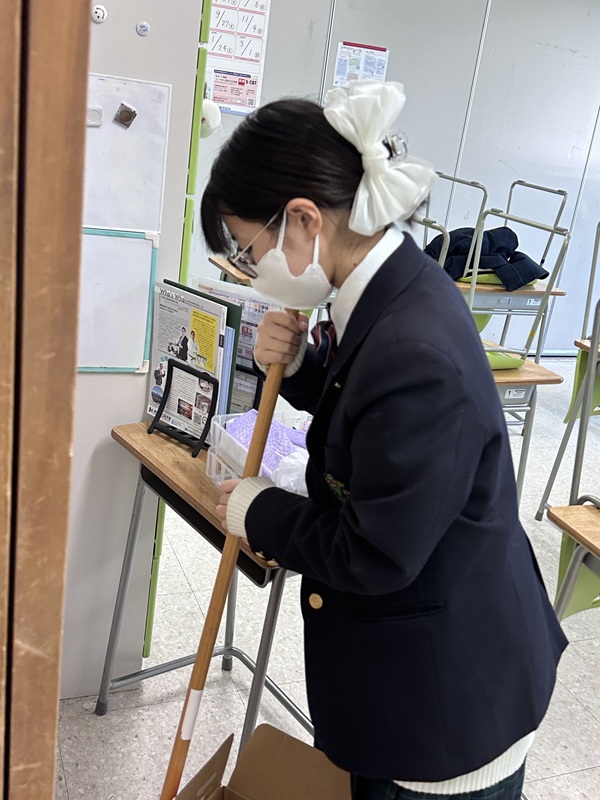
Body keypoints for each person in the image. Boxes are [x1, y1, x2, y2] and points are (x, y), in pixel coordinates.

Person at [201, 81, 567, 800]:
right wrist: (306, 368)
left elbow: (374, 552)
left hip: (447, 707)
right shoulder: (389, 284)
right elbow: (371, 416)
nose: (250, 271)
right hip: (418, 661)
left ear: (303, 219)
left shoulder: (414, 350)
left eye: (249, 250)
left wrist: (259, 510)